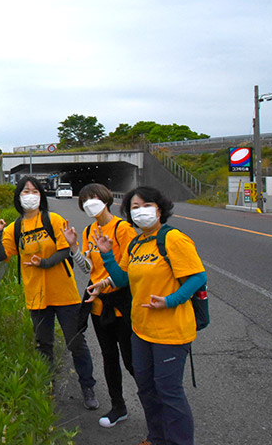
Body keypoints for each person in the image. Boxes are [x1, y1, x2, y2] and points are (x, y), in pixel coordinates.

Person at [87, 186, 207, 445]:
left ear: (159, 208)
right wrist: (107, 257)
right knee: (147, 388)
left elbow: (198, 277)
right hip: (141, 329)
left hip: (170, 331)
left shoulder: (173, 239)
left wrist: (169, 301)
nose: (140, 211)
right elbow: (122, 278)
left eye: (145, 205)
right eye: (134, 208)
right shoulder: (138, 243)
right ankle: (156, 438)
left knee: (169, 392)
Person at [0, 176, 98, 410]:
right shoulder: (14, 228)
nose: (30, 195)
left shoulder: (53, 219)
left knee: (75, 342)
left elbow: (64, 250)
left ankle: (88, 386)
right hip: (36, 295)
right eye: (25, 191)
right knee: (43, 344)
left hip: (64, 293)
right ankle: (47, 387)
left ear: (41, 195)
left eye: (34, 191)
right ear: (19, 197)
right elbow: (2, 256)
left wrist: (45, 263)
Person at [62, 183, 137, 429]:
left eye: (93, 197)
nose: (89, 203)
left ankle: (155, 403)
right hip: (98, 306)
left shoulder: (123, 229)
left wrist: (104, 283)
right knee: (108, 357)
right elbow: (87, 269)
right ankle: (118, 406)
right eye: (84, 200)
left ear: (105, 198)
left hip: (122, 303)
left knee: (131, 359)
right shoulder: (89, 231)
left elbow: (129, 270)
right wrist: (73, 247)